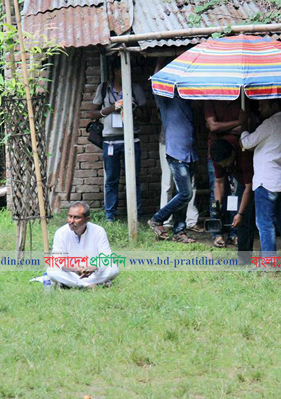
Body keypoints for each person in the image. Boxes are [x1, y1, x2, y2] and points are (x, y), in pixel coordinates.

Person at [148, 60, 199, 243]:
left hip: (190, 153)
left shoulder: (188, 101)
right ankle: (157, 219)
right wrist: (162, 63)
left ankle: (179, 231)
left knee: (182, 194)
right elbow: (155, 81)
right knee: (186, 194)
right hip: (176, 154)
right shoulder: (166, 100)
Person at [93, 57, 147, 221]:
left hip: (131, 140)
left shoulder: (134, 88)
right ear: (115, 71)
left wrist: (133, 107)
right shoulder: (103, 89)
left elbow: (147, 116)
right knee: (111, 179)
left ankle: (135, 215)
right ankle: (110, 216)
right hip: (110, 140)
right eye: (121, 70)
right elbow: (91, 114)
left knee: (134, 178)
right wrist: (112, 108)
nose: (125, 73)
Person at [240, 99, 281, 255]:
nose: (259, 109)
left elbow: (246, 143)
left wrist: (244, 125)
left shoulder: (270, 123)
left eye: (263, 105)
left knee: (265, 225)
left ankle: (269, 262)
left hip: (266, 182)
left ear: (274, 105)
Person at [204, 99, 247, 247]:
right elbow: (213, 126)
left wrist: (221, 129)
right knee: (216, 198)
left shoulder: (240, 100)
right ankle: (217, 232)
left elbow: (245, 127)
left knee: (236, 194)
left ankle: (235, 233)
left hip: (234, 152)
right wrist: (236, 123)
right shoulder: (211, 102)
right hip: (218, 152)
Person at [47, 201, 119, 288]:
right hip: (72, 271)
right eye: (70, 216)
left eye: (76, 217)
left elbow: (106, 256)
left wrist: (94, 266)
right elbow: (57, 260)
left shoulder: (98, 231)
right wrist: (75, 269)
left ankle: (72, 284)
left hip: (93, 271)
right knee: (51, 271)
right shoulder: (61, 233)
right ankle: (88, 285)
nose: (71, 221)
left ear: (87, 219)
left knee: (113, 268)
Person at [209, 137, 255, 263]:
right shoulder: (218, 155)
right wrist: (217, 206)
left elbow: (249, 187)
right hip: (240, 180)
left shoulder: (244, 156)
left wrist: (240, 213)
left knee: (245, 218)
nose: (223, 166)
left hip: (253, 181)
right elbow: (218, 182)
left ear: (233, 154)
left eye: (225, 162)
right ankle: (243, 258)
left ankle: (245, 258)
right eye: (221, 164)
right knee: (237, 217)